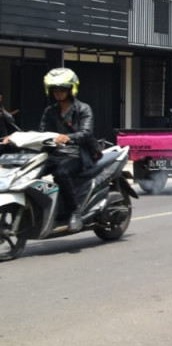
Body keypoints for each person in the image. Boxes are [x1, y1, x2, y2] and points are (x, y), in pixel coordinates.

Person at [37, 68, 96, 232]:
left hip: (78, 154)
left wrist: (68, 137)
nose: (59, 93)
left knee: (61, 173)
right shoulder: (50, 111)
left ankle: (74, 212)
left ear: (71, 89)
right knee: (30, 171)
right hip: (55, 154)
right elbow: (42, 133)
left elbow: (86, 133)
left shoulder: (84, 109)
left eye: (62, 89)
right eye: (55, 90)